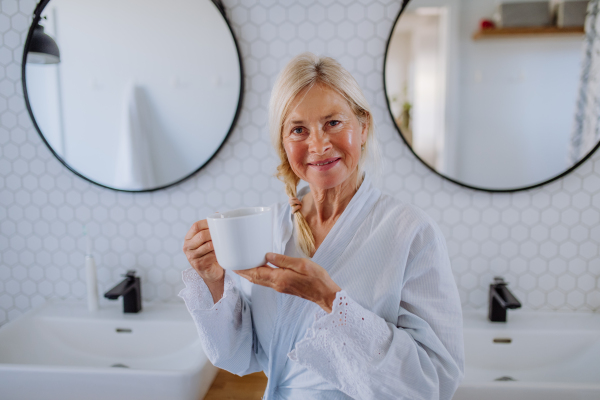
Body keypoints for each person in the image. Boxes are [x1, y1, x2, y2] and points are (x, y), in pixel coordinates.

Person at [180, 52, 464, 400]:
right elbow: (240, 355)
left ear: (363, 128)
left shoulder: (412, 233)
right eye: (299, 129)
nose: (318, 145)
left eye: (333, 122)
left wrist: (330, 300)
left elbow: (433, 383)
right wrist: (213, 281)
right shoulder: (271, 227)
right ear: (284, 145)